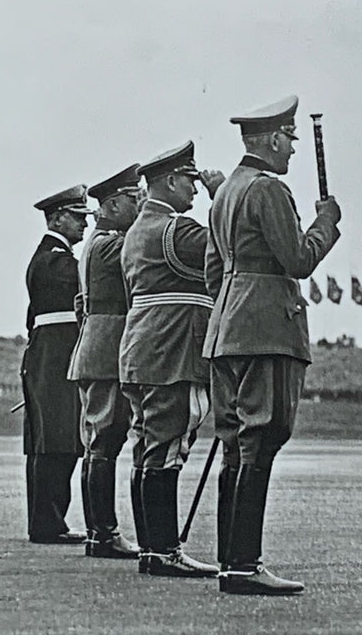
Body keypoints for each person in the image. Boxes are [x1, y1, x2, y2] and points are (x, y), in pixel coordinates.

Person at [203, 96, 341, 595]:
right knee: (262, 439)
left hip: (227, 328)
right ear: (274, 139)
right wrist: (327, 222)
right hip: (266, 327)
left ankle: (230, 562)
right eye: (290, 141)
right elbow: (298, 259)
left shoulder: (225, 193)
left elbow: (213, 270)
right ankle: (244, 564)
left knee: (235, 445)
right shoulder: (269, 190)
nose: (293, 151)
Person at [119, 142, 225, 578]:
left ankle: (152, 549)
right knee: (166, 448)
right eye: (191, 180)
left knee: (148, 447)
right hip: (174, 350)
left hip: (142, 349)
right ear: (169, 181)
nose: (195, 189)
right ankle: (162, 552)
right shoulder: (176, 230)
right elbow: (233, 240)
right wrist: (224, 197)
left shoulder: (136, 232)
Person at [66, 164, 144, 560]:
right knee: (104, 441)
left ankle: (101, 531)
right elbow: (140, 245)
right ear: (113, 204)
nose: (139, 204)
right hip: (107, 349)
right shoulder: (110, 244)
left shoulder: (98, 241)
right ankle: (103, 532)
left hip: (98, 348)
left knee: (99, 442)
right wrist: (153, 211)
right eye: (133, 199)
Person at [22, 183, 90, 544]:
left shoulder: (48, 258)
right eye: (78, 218)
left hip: (51, 353)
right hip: (56, 354)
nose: (84, 225)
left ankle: (49, 520)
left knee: (55, 439)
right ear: (59, 218)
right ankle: (48, 522)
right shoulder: (55, 261)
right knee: (57, 439)